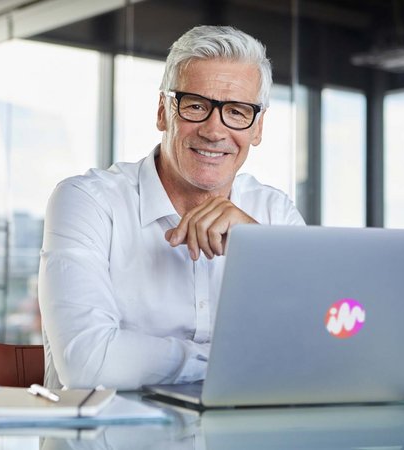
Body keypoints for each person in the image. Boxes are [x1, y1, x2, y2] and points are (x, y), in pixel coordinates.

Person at [38, 25, 304, 390]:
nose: (214, 130)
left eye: (238, 112)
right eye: (196, 106)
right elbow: (88, 364)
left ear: (257, 128)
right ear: (163, 111)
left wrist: (260, 250)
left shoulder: (274, 213)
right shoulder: (88, 201)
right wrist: (231, 358)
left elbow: (318, 346)